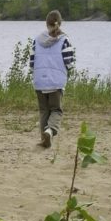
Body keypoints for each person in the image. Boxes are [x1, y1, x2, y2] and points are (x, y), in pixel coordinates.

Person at [29, 9, 76, 148]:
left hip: (39, 82)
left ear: (46, 23)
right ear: (59, 23)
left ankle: (44, 139)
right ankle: (50, 131)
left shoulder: (36, 40)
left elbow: (31, 63)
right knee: (56, 110)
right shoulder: (64, 40)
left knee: (44, 111)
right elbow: (69, 62)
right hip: (56, 82)